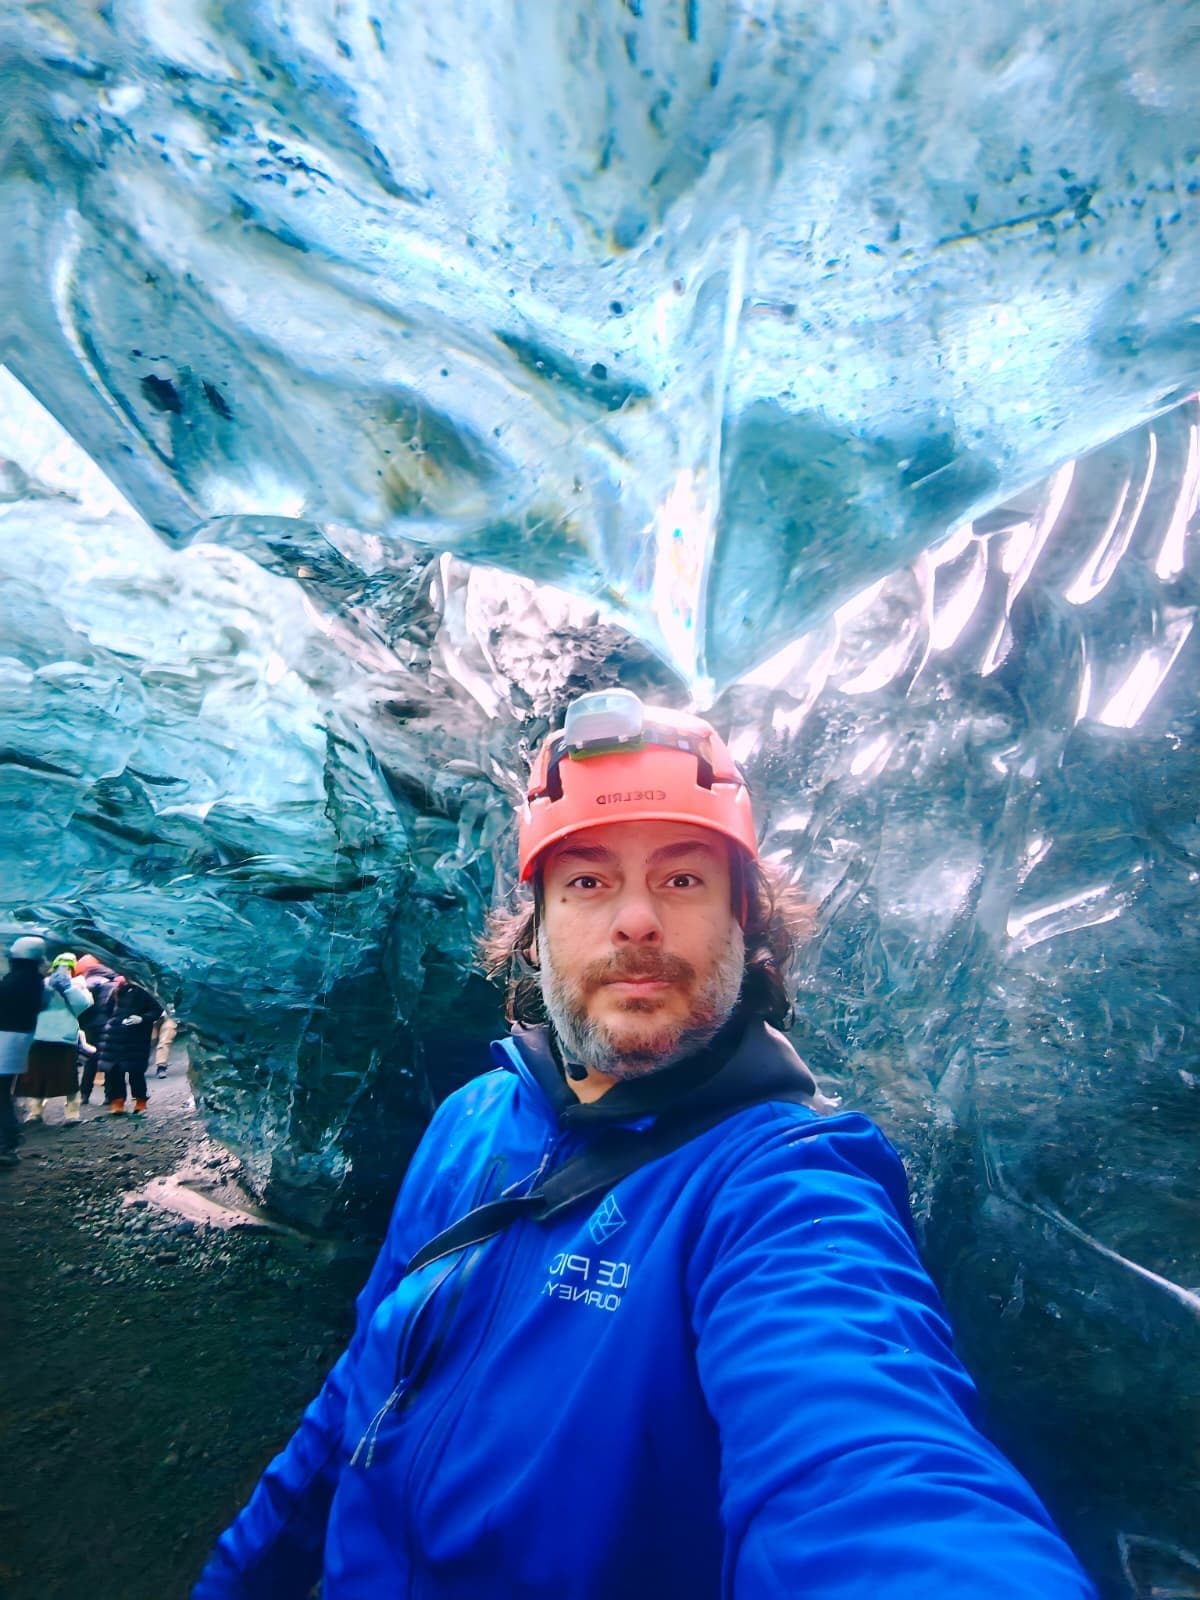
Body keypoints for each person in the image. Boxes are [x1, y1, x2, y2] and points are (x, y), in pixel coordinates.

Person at [195, 690, 1098, 1599]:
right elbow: (362, 1385)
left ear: (745, 922)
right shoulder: (469, 1120)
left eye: (682, 878)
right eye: (587, 881)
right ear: (535, 933)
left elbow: (868, 1460)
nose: (637, 921)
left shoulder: (784, 1187)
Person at [17, 952, 92, 1124]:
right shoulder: (42, 984)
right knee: (36, 1077)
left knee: (68, 1078)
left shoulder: (78, 985)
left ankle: (72, 1113)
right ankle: (35, 1112)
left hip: (64, 1037)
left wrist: (68, 988)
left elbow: (83, 1005)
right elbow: (30, 1004)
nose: (63, 969)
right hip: (40, 1035)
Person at [0, 935, 50, 1166]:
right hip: (18, 1043)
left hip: (4, 1042)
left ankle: (6, 1144)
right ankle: (8, 1141)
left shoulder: (15, 981)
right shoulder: (35, 981)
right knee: (4, 1095)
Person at [97, 979, 163, 1115]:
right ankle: (118, 1102)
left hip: (136, 1038)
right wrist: (112, 1024)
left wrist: (142, 1018)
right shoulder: (117, 989)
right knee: (115, 1071)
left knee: (136, 1072)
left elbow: (157, 1010)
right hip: (115, 1038)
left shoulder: (146, 990)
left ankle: (140, 1101)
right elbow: (107, 1010)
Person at [74, 954, 120, 1105]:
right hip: (109, 1026)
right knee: (110, 1061)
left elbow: (80, 1009)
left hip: (90, 1027)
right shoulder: (112, 983)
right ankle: (110, 1096)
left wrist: (82, 1025)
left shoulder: (83, 985)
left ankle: (84, 1095)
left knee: (91, 1061)